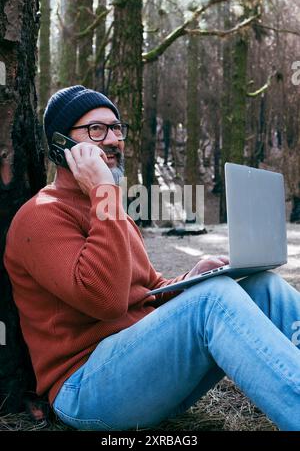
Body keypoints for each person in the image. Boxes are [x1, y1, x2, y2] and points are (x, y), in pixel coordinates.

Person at [4, 85, 300, 431]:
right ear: (61, 144)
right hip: (85, 388)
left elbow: (143, 291)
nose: (113, 139)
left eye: (116, 128)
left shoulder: (109, 210)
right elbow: (107, 301)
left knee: (262, 286)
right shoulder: (41, 216)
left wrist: (191, 278)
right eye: (96, 130)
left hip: (142, 372)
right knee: (212, 302)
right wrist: (105, 192)